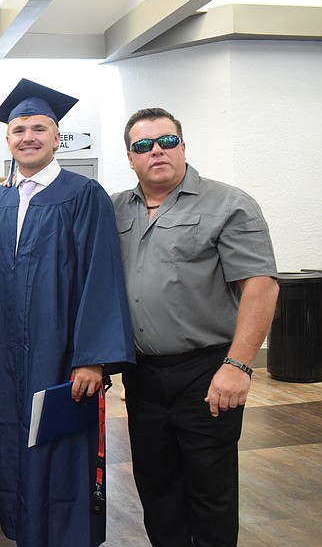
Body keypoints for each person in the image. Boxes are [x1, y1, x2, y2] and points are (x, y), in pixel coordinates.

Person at [113, 107, 279, 547]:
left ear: (183, 146)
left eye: (167, 141)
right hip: (143, 375)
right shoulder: (115, 209)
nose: (157, 152)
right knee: (156, 486)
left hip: (206, 371)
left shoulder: (228, 203)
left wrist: (239, 366)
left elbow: (260, 287)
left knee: (209, 490)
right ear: (130, 158)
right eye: (143, 146)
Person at [0, 79, 135, 546]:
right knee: (14, 437)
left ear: (56, 137)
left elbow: (101, 277)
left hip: (60, 351)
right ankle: (23, 531)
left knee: (61, 445)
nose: (28, 136)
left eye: (39, 128)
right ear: (7, 140)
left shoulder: (84, 195)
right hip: (6, 354)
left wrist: (91, 357)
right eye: (19, 129)